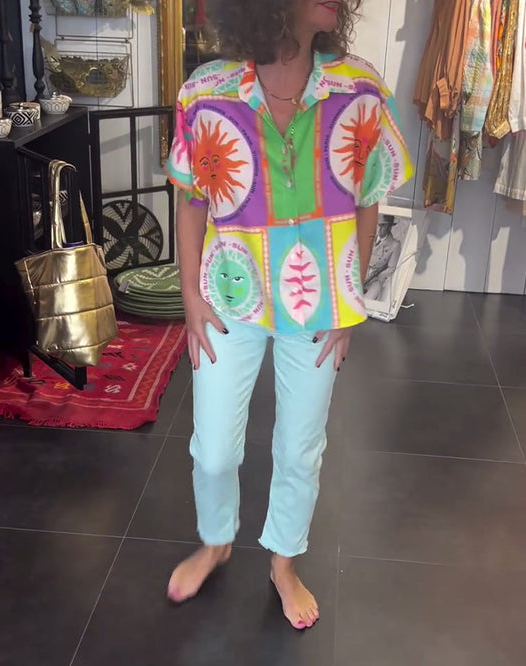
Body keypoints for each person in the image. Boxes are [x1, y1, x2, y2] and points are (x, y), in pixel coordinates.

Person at [165, 0, 413, 630]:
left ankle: (283, 561)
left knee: (300, 448)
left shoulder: (359, 89)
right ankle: (217, 541)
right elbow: (191, 201)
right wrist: (190, 297)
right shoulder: (206, 92)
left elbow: (368, 196)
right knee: (214, 451)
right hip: (230, 296)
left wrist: (351, 298)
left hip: (319, 304)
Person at [363, 216, 402, 301]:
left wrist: (379, 277)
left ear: (389, 227)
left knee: (368, 300)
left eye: (383, 225)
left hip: (375, 278)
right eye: (378, 225)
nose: (379, 228)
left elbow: (391, 268)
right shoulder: (367, 237)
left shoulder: (394, 245)